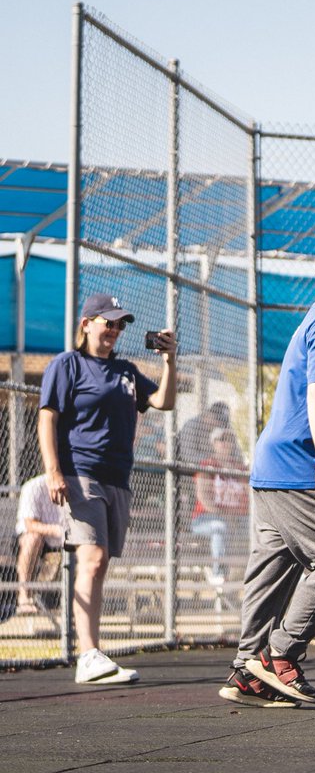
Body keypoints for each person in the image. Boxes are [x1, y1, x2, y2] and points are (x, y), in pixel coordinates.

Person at [218, 239, 315, 711]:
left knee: (274, 567)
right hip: (301, 463)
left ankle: (247, 670)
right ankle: (279, 652)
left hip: (273, 462)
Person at [38, 293, 177, 684]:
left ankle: (92, 651)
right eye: (108, 322)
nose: (114, 330)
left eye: (119, 325)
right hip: (81, 472)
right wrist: (53, 471)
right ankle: (87, 654)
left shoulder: (127, 371)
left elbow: (163, 402)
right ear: (87, 324)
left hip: (118, 478)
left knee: (100, 565)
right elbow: (47, 417)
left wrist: (169, 360)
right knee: (93, 558)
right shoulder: (67, 365)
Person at [191, 427, 249, 583]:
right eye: (220, 440)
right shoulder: (207, 465)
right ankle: (218, 574)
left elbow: (249, 496)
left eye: (228, 440)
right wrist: (224, 516)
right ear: (214, 443)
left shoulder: (240, 468)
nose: (224, 443)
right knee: (219, 526)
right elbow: (203, 497)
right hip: (205, 519)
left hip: (237, 519)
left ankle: (257, 572)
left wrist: (237, 516)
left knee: (257, 526)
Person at [12, 474, 64, 615]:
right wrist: (55, 530)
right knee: (33, 538)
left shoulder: (76, 486)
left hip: (61, 542)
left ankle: (75, 599)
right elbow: (30, 524)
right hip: (33, 539)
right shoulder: (34, 486)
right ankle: (24, 595)